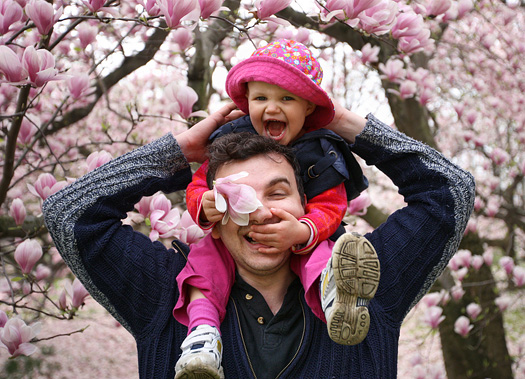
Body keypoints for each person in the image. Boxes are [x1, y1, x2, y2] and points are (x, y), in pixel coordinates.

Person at [42, 101, 475, 379]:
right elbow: (68, 213)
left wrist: (334, 118)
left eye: (278, 192)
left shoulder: (362, 281)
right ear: (211, 210)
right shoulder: (164, 290)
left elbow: (450, 191)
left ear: (307, 206)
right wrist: (181, 152)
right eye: (236, 196)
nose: (261, 210)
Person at [174, 39, 377, 377]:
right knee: (201, 266)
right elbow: (198, 185)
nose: (272, 107)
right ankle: (202, 338)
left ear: (309, 108)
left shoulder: (322, 150)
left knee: (323, 257)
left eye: (287, 98)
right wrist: (204, 203)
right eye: (261, 98)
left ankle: (335, 300)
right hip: (231, 235)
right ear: (246, 102)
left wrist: (302, 231)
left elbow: (332, 204)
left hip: (303, 238)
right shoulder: (228, 143)